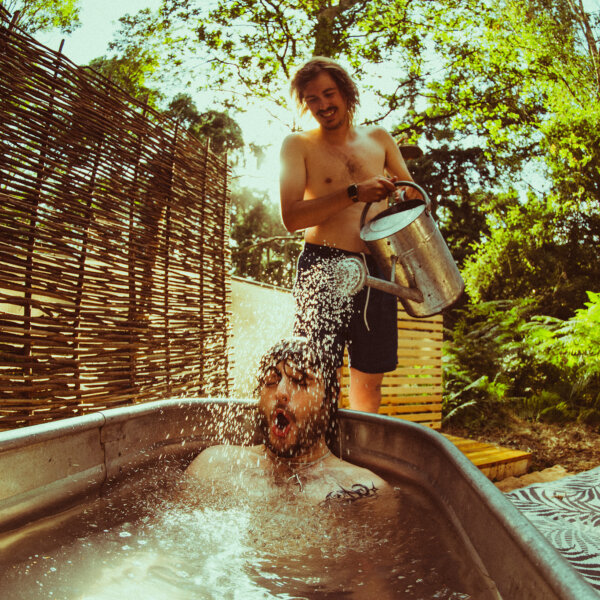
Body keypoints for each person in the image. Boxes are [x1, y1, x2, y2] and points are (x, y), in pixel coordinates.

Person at [279, 56, 422, 413]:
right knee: (317, 373)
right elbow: (291, 217)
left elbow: (410, 193)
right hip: (323, 265)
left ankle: (356, 464)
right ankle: (316, 459)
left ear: (346, 92)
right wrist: (354, 193)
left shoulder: (379, 138)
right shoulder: (297, 145)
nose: (323, 105)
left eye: (329, 94)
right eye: (313, 99)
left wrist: (408, 194)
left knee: (370, 376)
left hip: (377, 268)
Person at [186, 338, 392, 505]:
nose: (281, 392)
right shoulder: (213, 466)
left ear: (329, 399)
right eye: (270, 381)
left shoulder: (367, 492)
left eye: (300, 381)